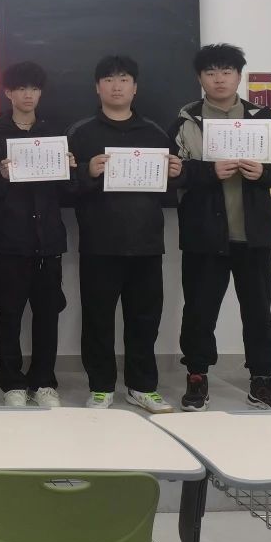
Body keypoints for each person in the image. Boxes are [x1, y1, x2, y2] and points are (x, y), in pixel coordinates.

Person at [171, 43, 271, 411]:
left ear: (239, 76)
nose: (219, 79)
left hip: (253, 235)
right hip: (204, 235)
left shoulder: (262, 118)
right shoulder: (186, 120)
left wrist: (264, 173)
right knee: (199, 311)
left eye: (226, 71)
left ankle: (262, 380)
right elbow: (171, 171)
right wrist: (208, 171)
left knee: (258, 312)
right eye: (210, 72)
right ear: (200, 78)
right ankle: (197, 376)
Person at [67, 54, 182, 414]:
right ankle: (101, 387)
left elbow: (169, 193)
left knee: (144, 320)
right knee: (97, 319)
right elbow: (63, 186)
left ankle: (142, 386)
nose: (116, 86)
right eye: (108, 80)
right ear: (97, 87)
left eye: (123, 79)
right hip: (99, 243)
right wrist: (87, 171)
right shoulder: (81, 132)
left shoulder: (155, 133)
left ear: (135, 87)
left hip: (146, 243)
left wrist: (176, 172)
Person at [0, 61, 74, 408]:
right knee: (9, 315)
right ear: (8, 92)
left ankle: (44, 382)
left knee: (48, 315)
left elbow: (68, 191)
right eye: (20, 88)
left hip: (48, 239)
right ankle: (12, 384)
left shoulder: (54, 130)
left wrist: (70, 169)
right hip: (9, 239)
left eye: (33, 88)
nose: (28, 95)